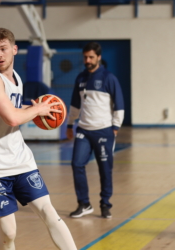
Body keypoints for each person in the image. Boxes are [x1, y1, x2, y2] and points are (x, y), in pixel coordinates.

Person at [0, 27, 77, 250]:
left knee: (49, 211)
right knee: (9, 233)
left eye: (3, 49)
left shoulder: (16, 78)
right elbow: (11, 117)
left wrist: (39, 108)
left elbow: (15, 108)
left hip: (20, 160)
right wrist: (37, 109)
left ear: (14, 50)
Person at [66, 42, 124, 219]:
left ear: (98, 57)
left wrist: (115, 128)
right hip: (83, 130)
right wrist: (70, 124)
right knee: (77, 164)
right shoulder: (80, 78)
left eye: (91, 57)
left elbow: (119, 105)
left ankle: (105, 204)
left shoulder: (109, 78)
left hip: (104, 131)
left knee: (105, 169)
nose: (87, 60)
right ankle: (84, 204)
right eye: (85, 57)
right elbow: (75, 105)